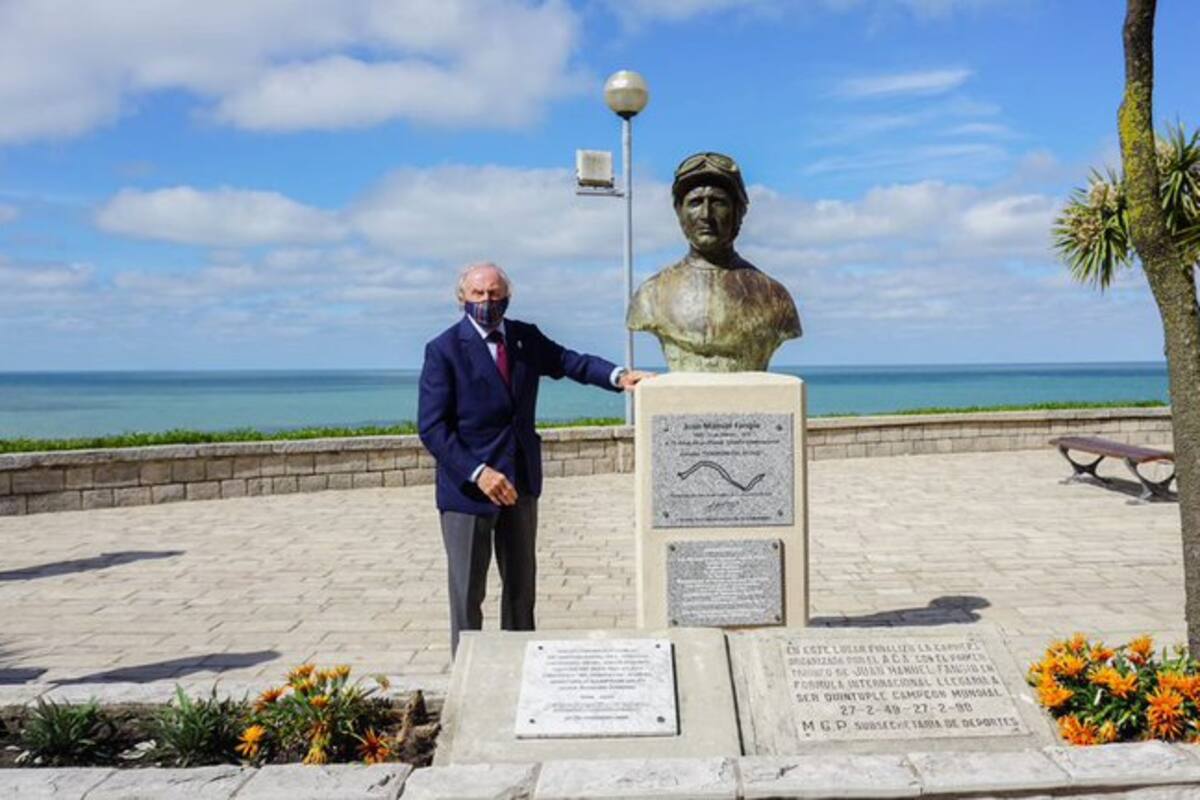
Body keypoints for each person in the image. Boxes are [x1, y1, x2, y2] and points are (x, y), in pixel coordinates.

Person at [418, 262, 650, 654]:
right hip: (468, 493)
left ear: (507, 297)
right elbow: (433, 428)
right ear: (462, 298)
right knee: (467, 595)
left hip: (520, 483)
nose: (487, 300)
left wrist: (619, 376)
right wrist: (479, 473)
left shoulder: (525, 338)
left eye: (494, 293)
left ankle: (519, 667)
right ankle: (468, 675)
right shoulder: (443, 350)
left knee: (521, 593)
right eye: (478, 293)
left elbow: (570, 361)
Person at [627, 151, 802, 372]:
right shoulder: (650, 295)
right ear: (679, 212)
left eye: (718, 202)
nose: (706, 215)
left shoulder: (774, 297)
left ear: (739, 211)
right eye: (695, 203)